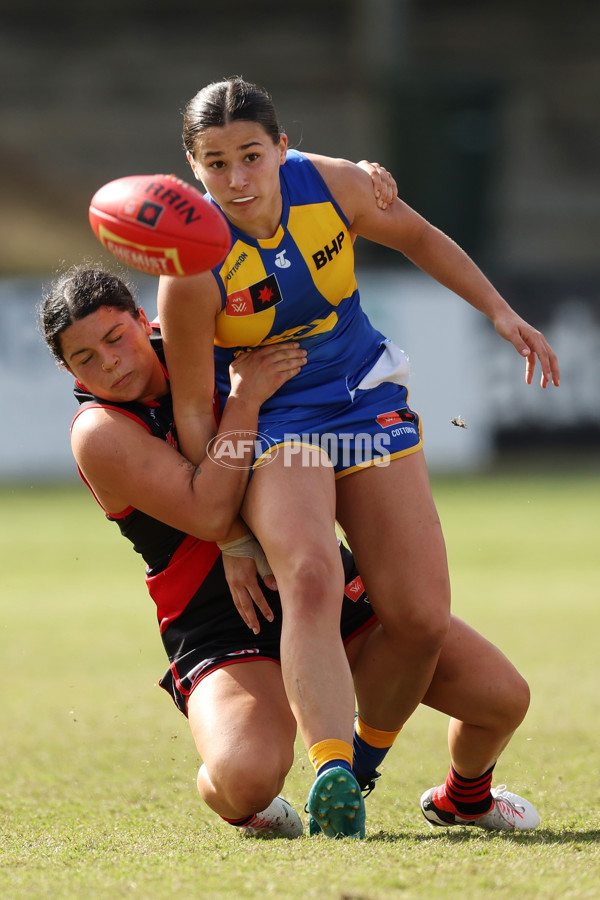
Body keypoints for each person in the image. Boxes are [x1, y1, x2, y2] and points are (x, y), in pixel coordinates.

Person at [155, 77, 559, 836]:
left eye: (250, 155)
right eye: (215, 163)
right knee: (312, 569)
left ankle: (361, 775)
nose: (237, 179)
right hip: (276, 423)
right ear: (192, 167)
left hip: (365, 398)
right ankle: (330, 764)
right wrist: (231, 535)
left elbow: (418, 237)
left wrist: (501, 314)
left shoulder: (332, 185)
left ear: (282, 147)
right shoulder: (190, 268)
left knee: (418, 618)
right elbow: (190, 409)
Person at [39, 266, 541, 839]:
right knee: (246, 776)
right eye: (83, 359)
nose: (109, 363)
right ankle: (233, 794)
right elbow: (206, 512)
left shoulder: (205, 336)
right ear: (66, 369)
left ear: (139, 318)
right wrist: (246, 407)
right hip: (218, 622)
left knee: (501, 698)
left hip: (312, 574)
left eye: (114, 338)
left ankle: (465, 798)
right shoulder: (98, 431)